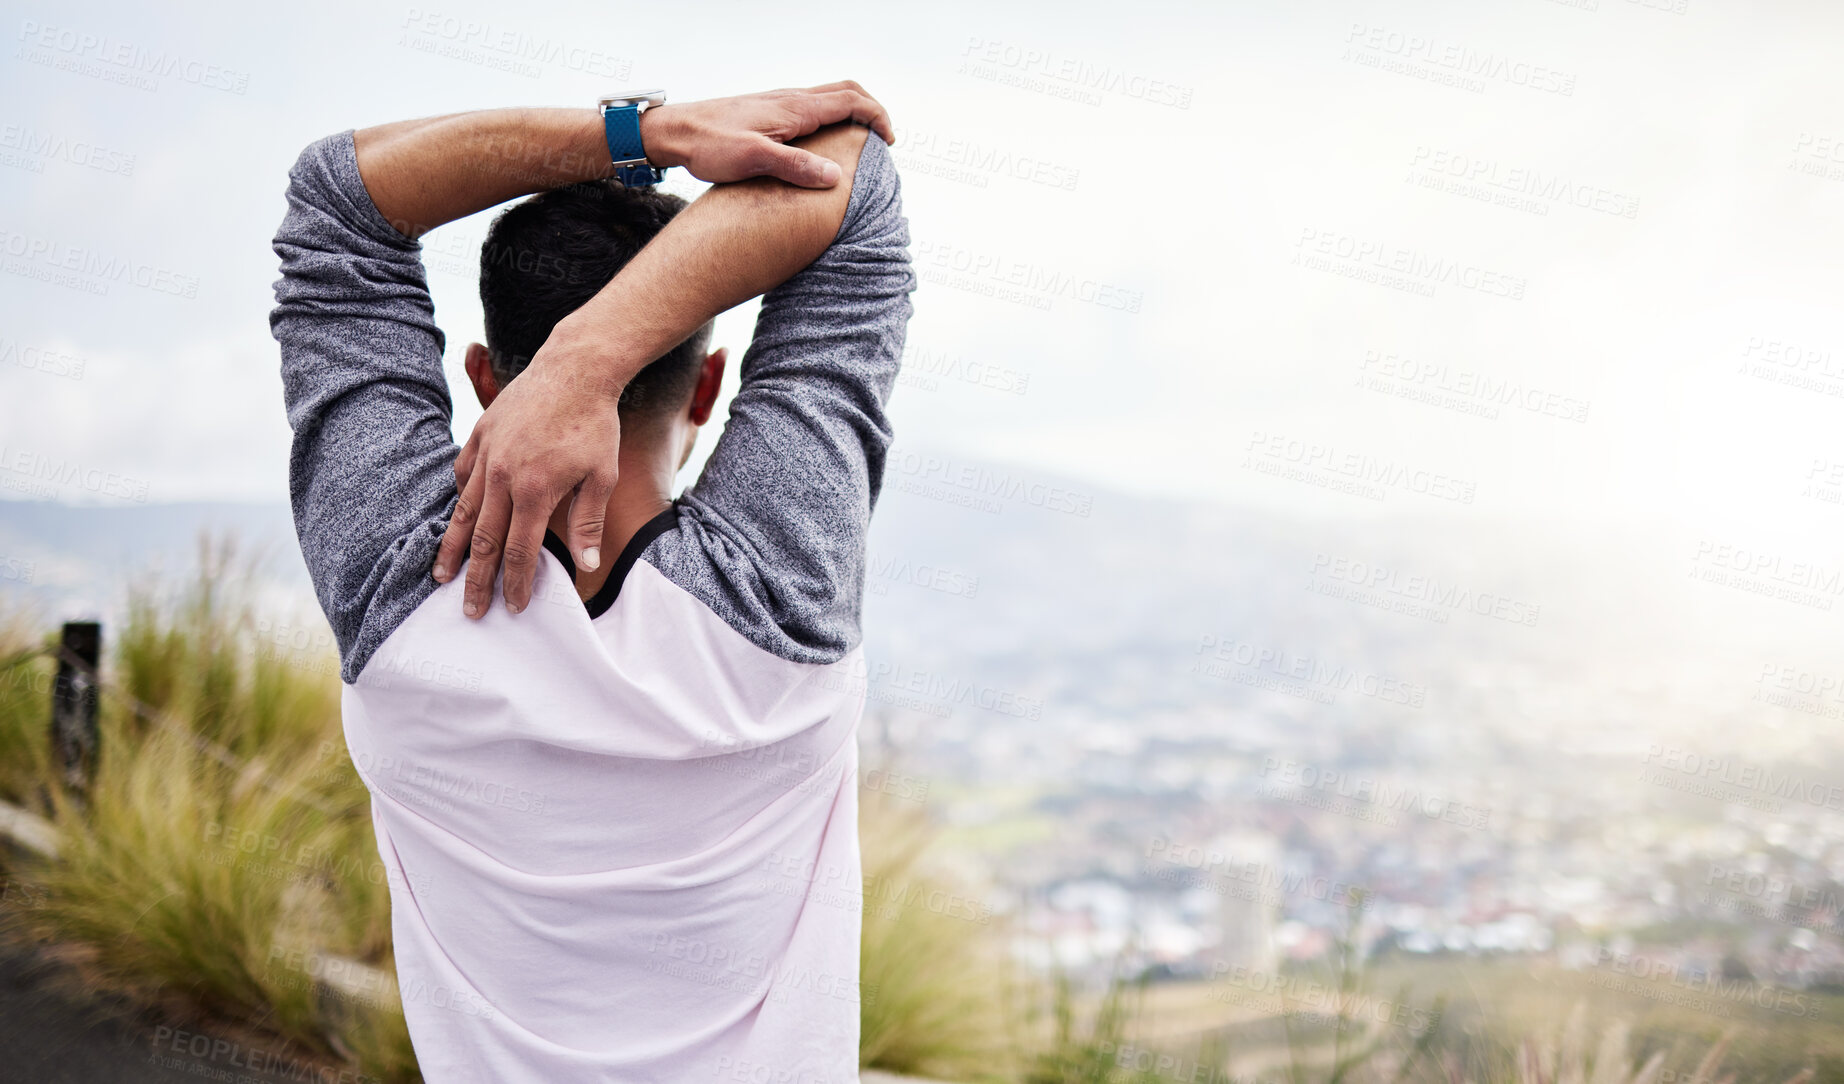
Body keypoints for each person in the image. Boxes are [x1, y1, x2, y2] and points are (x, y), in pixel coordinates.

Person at [268, 82, 914, 1081]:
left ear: (487, 380)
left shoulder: (397, 589)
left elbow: (337, 200)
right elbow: (851, 172)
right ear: (707, 384)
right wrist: (595, 360)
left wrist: (639, 137)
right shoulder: (775, 589)